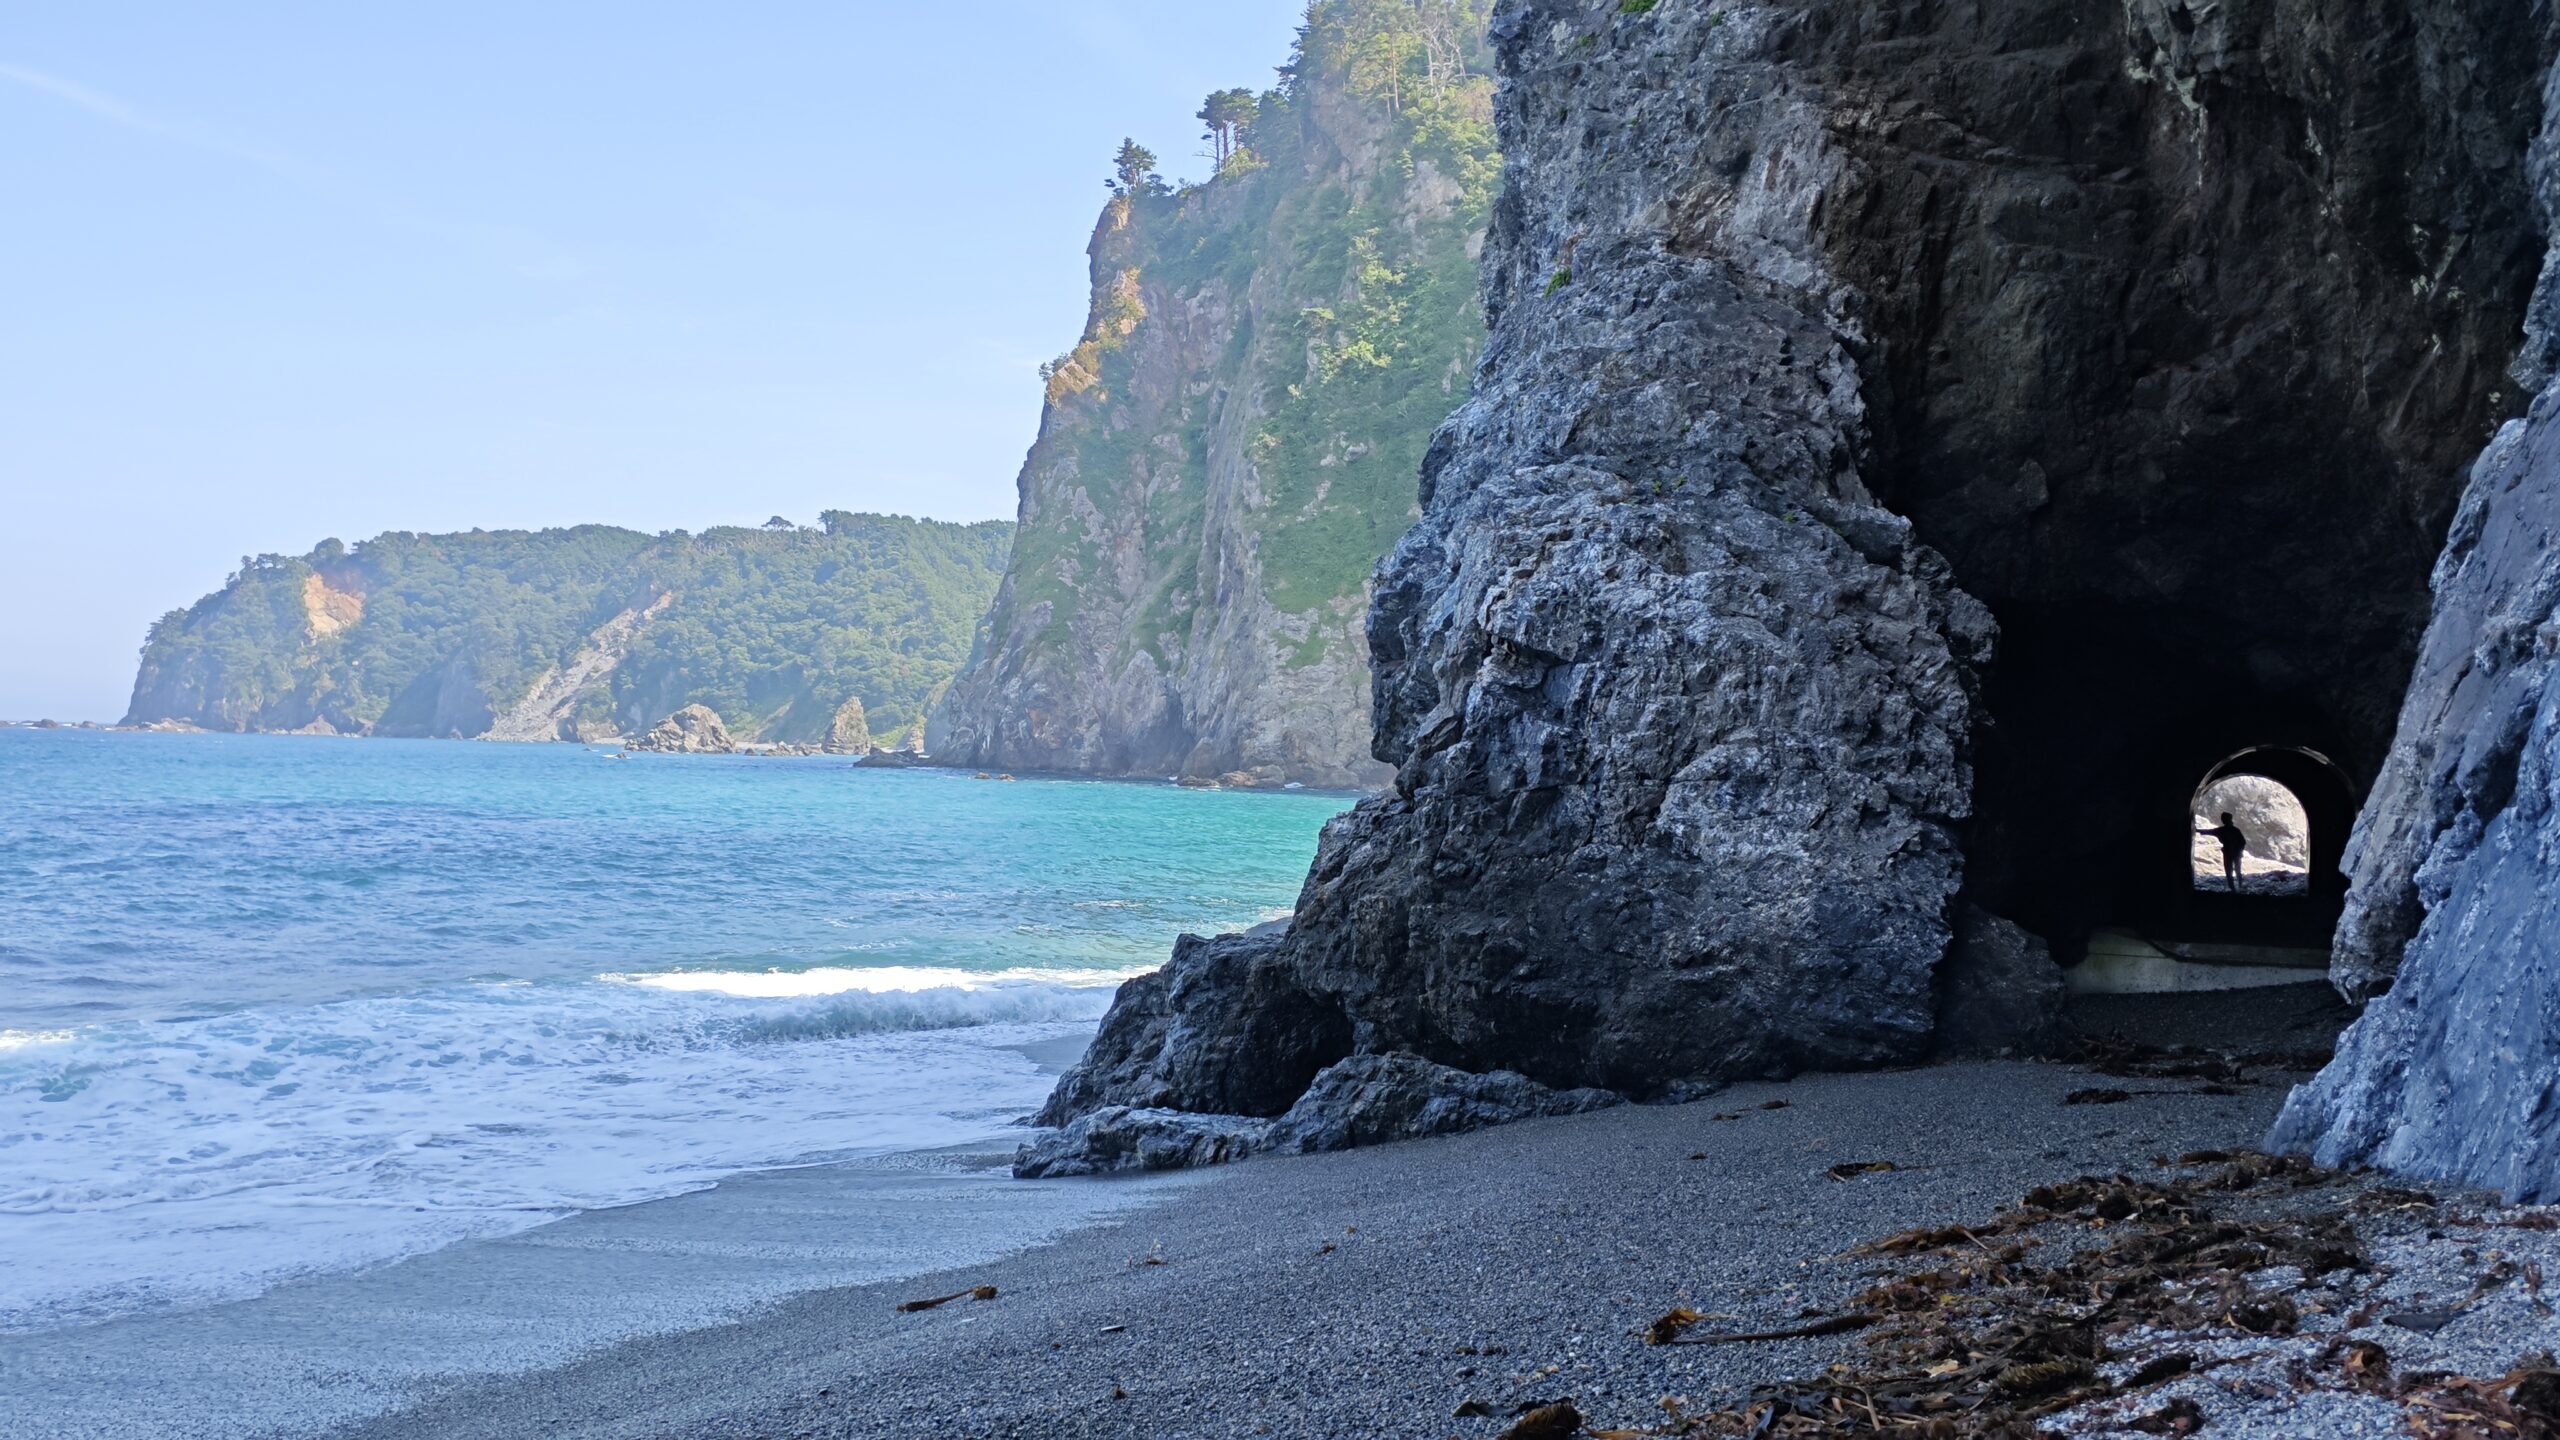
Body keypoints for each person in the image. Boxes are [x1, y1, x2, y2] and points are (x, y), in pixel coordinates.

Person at [2198, 811, 2247, 892]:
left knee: (2229, 871)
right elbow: (2243, 842)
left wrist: (2195, 829)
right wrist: (2239, 850)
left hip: (2228, 852)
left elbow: (2209, 831)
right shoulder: (2235, 830)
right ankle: (2240, 886)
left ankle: (2233, 889)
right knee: (2238, 870)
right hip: (2235, 853)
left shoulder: (2221, 830)